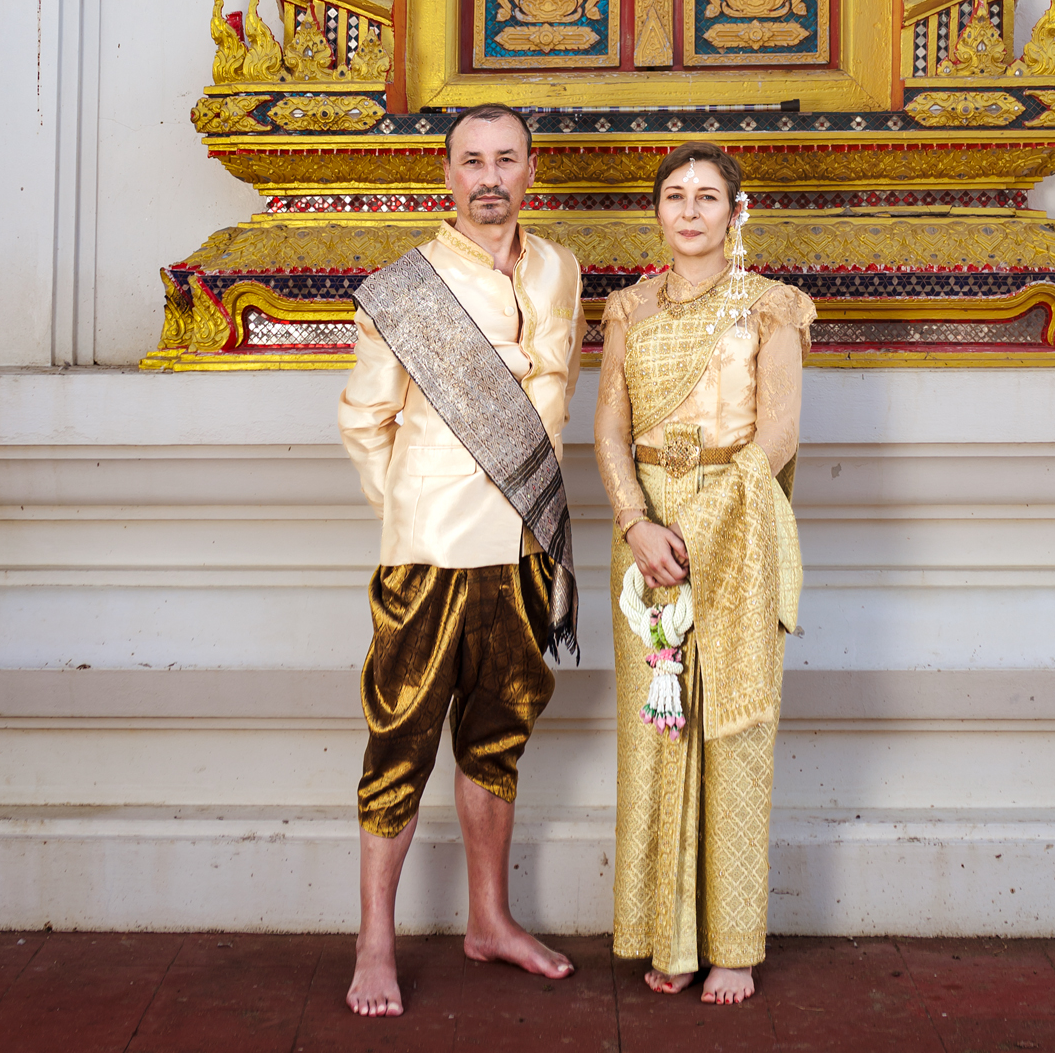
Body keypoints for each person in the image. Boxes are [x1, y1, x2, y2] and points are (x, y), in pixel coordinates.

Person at [337, 103, 583, 1019]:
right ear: (447, 176)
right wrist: (413, 515)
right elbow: (366, 424)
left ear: (529, 171)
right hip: (432, 553)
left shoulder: (560, 268)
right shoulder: (405, 290)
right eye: (471, 161)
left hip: (527, 544)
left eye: (506, 160)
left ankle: (490, 920)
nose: (489, 177)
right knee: (400, 742)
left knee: (499, 735)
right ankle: (374, 945)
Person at [594, 140, 815, 1005]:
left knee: (730, 730)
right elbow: (610, 431)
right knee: (657, 730)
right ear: (658, 212)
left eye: (707, 197)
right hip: (646, 539)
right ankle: (664, 935)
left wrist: (709, 521)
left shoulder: (769, 308)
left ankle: (731, 945)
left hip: (738, 529)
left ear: (736, 211)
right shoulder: (628, 311)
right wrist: (638, 524)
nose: (690, 211)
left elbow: (778, 435)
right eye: (675, 196)